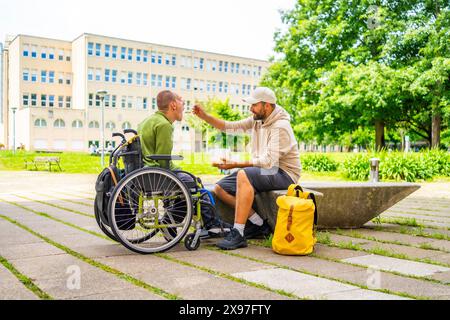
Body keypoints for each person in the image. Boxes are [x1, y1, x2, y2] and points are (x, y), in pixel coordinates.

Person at [193, 87, 302, 250]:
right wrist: (205, 116)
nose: (250, 108)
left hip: (284, 173)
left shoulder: (281, 126)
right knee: (220, 188)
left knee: (243, 174)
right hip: (267, 170)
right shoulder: (258, 119)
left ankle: (238, 233)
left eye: (254, 105)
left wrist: (234, 163)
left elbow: (267, 161)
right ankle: (259, 225)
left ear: (267, 106)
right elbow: (228, 127)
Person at [138, 90, 230, 236]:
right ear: (173, 105)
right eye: (182, 102)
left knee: (186, 183)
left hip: (146, 172)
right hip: (156, 174)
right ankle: (212, 224)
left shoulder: (148, 121)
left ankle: (170, 220)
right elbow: (163, 160)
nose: (184, 106)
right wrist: (179, 172)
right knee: (195, 185)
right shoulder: (164, 125)